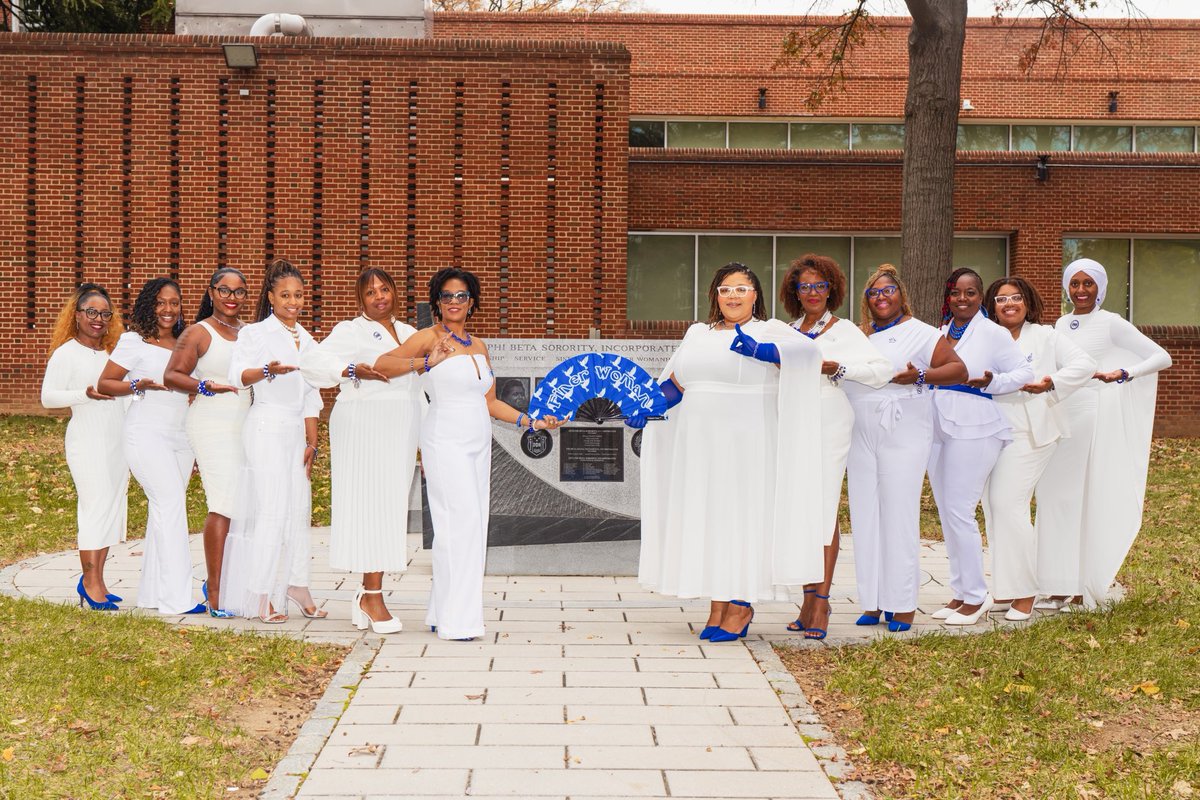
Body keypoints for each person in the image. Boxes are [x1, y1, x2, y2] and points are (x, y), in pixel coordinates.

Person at [633, 262, 825, 643]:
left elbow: (808, 357)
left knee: (742, 515)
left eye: (741, 288)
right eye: (724, 289)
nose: (732, 296)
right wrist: (643, 405)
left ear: (755, 295)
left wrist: (765, 351)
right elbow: (677, 382)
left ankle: (741, 602)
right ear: (714, 296)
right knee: (712, 517)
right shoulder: (697, 333)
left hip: (748, 440)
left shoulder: (770, 330)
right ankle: (719, 602)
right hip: (700, 442)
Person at [375, 268, 560, 641]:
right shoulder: (428, 338)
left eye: (461, 296)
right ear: (437, 302)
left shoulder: (479, 345)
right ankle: (458, 621)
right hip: (445, 440)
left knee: (470, 527)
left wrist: (532, 422)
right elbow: (382, 366)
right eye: (447, 296)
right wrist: (428, 363)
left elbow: (489, 402)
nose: (454, 302)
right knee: (459, 525)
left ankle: (442, 609)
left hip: (478, 443)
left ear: (472, 301)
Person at [1034, 258, 1172, 609]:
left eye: (1088, 283)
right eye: (1075, 283)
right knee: (1052, 497)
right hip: (1059, 414)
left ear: (1101, 287)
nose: (1081, 290)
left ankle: (1079, 583)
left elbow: (1161, 356)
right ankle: (1054, 580)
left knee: (1079, 498)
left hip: (1090, 418)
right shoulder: (1061, 323)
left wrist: (1124, 373)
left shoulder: (1112, 323)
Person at [843, 265, 967, 633]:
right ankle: (874, 600)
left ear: (901, 295)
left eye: (888, 291)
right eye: (874, 293)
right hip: (860, 433)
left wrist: (921, 376)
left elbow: (958, 370)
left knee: (898, 514)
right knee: (865, 514)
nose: (881, 298)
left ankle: (902, 604)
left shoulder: (923, 333)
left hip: (904, 430)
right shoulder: (858, 336)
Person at [301, 268, 422, 634]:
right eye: (371, 293)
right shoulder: (349, 331)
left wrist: (425, 444)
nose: (380, 297)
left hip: (400, 425)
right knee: (371, 506)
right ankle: (372, 595)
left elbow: (423, 387)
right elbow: (313, 366)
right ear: (360, 299)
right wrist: (353, 369)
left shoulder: (411, 334)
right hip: (363, 423)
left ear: (395, 293)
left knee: (389, 508)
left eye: (385, 289)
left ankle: (367, 593)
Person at [780, 255, 892, 640]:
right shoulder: (788, 331)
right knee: (799, 509)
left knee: (824, 505)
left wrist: (838, 368)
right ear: (794, 292)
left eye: (820, 286)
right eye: (805, 286)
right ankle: (807, 599)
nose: (813, 293)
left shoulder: (844, 331)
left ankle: (822, 601)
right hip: (792, 423)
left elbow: (881, 371)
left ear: (833, 290)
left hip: (829, 420)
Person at [980, 277, 1095, 621]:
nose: (1009, 304)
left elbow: (1085, 364)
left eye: (1016, 298)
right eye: (1001, 299)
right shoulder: (987, 337)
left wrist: (1051, 383)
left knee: (1008, 503)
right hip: (989, 431)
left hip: (1031, 431)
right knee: (992, 507)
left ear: (1027, 303)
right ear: (993, 306)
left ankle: (1026, 592)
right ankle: (1005, 589)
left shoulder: (1046, 336)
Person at [926, 268, 1033, 626]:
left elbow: (1023, 374)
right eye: (956, 292)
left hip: (976, 424)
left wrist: (992, 382)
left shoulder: (993, 333)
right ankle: (960, 592)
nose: (962, 298)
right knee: (947, 510)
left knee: (960, 509)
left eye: (970, 293)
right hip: (938, 424)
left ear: (979, 296)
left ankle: (976, 597)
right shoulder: (940, 332)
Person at [221, 259, 326, 623]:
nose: (293, 302)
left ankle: (297, 584)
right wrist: (268, 370)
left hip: (295, 432)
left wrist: (311, 442)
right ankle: (259, 593)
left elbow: (312, 391)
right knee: (271, 511)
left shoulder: (307, 338)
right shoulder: (255, 333)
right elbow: (238, 376)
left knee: (298, 509)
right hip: (265, 426)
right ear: (271, 297)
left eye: (298, 295)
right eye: (285, 295)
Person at [97, 278, 206, 615]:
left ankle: (153, 594)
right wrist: (135, 384)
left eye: (174, 303)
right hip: (146, 433)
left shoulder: (187, 343)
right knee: (170, 503)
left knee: (164, 510)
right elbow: (105, 383)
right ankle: (177, 599)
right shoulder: (134, 341)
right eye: (161, 302)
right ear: (149, 305)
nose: (169, 309)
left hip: (181, 436)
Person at [163, 268, 250, 618]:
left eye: (239, 291)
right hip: (212, 422)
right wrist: (203, 386)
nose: (232, 297)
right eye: (224, 290)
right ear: (211, 292)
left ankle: (231, 581)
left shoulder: (250, 333)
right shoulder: (198, 332)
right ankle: (215, 594)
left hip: (246, 422)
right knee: (224, 501)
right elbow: (171, 376)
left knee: (243, 504)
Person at [41, 283, 129, 611]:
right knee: (94, 509)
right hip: (87, 440)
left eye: (105, 314)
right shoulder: (66, 353)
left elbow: (125, 392)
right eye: (91, 312)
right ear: (76, 315)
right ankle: (89, 585)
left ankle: (98, 581)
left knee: (111, 509)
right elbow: (48, 397)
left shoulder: (113, 353)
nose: (98, 319)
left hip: (117, 440)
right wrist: (85, 394)